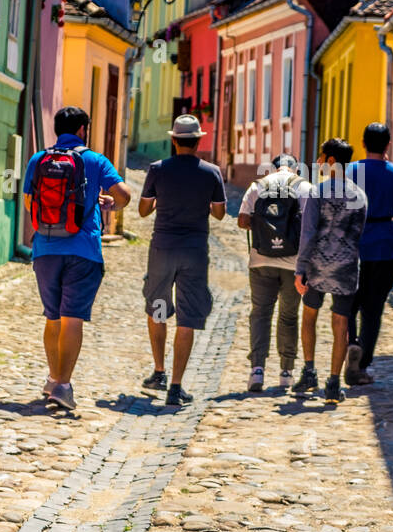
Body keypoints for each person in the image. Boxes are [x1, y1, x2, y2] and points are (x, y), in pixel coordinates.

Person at [22, 106, 132, 411]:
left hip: (45, 249)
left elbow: (29, 200)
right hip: (83, 249)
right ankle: (63, 386)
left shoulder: (39, 158)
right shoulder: (94, 160)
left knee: (52, 316)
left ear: (58, 129)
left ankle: (53, 377)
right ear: (83, 129)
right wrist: (109, 203)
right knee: (72, 318)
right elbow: (124, 194)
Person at [138, 115, 227, 407]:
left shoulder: (157, 169)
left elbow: (143, 209)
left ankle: (159, 372)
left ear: (173, 140)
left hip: (163, 249)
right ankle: (176, 387)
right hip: (194, 251)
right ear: (198, 141)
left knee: (159, 308)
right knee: (188, 317)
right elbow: (219, 213)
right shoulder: (211, 172)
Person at [294, 138, 367, 405]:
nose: (320, 163)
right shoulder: (359, 195)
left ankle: (310, 370)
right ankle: (334, 383)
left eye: (322, 158)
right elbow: (359, 234)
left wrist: (300, 268)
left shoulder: (317, 192)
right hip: (346, 268)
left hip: (317, 266)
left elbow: (309, 233)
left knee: (309, 317)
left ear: (332, 161)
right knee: (341, 325)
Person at [344, 122, 393, 386]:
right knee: (373, 309)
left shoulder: (351, 170)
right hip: (384, 245)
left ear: (362, 143)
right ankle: (362, 363)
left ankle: (351, 343)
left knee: (349, 304)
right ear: (387, 145)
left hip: (354, 243)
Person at [238, 154, 310, 393]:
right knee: (289, 316)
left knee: (260, 314)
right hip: (293, 263)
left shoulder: (258, 186)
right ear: (296, 168)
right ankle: (286, 372)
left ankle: (257, 370)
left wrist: (263, 227)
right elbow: (311, 226)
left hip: (261, 261)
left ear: (273, 167)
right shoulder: (304, 187)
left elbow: (241, 220)